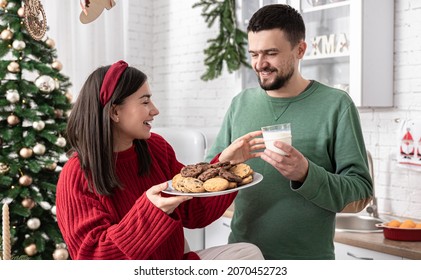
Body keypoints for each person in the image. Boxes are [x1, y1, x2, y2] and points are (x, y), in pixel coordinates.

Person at [205, 4, 373, 260]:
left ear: (300, 50)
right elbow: (207, 186)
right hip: (242, 259)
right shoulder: (240, 104)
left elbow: (360, 194)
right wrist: (224, 163)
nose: (260, 64)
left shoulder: (336, 105)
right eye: (254, 54)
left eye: (271, 53)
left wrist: (306, 174)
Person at [55, 60, 264, 260]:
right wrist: (151, 212)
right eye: (145, 101)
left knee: (248, 254)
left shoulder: (156, 148)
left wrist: (224, 166)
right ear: (114, 111)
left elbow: (195, 212)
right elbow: (93, 257)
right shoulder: (77, 174)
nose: (155, 110)